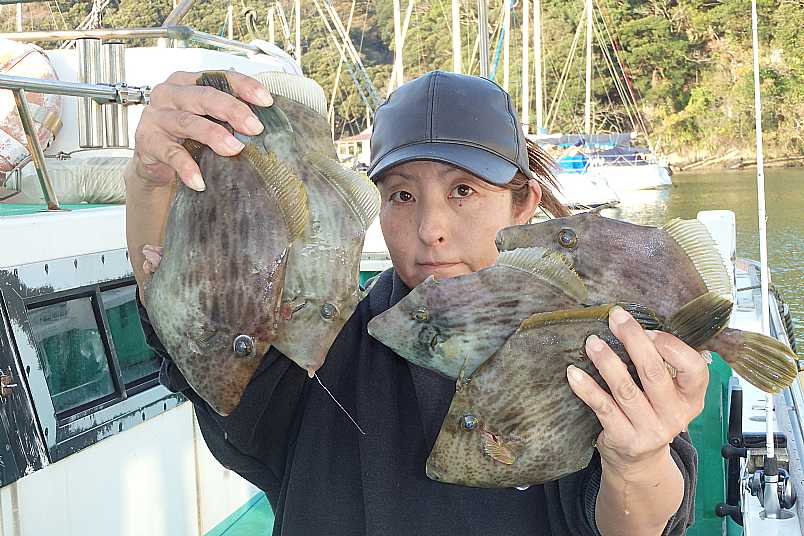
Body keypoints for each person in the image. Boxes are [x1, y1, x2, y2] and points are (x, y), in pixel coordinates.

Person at [127, 70, 705, 535]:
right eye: (402, 195)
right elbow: (186, 315)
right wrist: (151, 180)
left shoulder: (587, 339)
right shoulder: (318, 340)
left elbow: (640, 523)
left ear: (523, 203)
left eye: (463, 191)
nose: (431, 229)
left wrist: (636, 461)